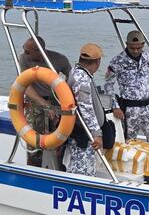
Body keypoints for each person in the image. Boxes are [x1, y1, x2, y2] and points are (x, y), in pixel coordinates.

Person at [104, 30, 149, 144]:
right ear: (126, 44)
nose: (135, 51)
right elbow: (108, 86)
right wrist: (115, 107)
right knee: (128, 143)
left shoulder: (146, 56)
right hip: (130, 109)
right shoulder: (117, 61)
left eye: (138, 48)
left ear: (143, 45)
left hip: (148, 107)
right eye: (132, 48)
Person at [18, 36, 71, 167]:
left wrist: (65, 98)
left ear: (39, 50)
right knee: (34, 142)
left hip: (55, 100)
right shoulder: (24, 59)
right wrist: (44, 104)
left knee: (59, 139)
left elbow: (72, 78)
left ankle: (59, 168)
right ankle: (33, 169)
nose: (24, 53)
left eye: (28, 51)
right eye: (25, 50)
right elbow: (25, 86)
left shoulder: (59, 59)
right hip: (34, 103)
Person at [65, 43, 106, 177]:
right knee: (83, 169)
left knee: (80, 164)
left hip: (79, 130)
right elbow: (85, 108)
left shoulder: (76, 72)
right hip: (83, 133)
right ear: (98, 61)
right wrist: (96, 134)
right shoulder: (82, 79)